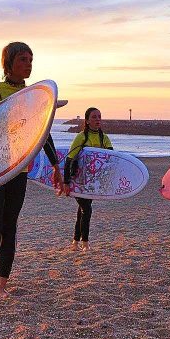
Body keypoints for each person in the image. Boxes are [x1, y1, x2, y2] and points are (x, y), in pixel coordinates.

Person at [0, 41, 66, 298]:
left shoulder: (33, 96)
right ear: (8, 63)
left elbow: (42, 134)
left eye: (31, 60)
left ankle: (1, 286)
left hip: (17, 171)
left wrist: (55, 165)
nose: (28, 64)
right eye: (23, 59)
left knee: (10, 226)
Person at [64, 107, 114, 252]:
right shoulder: (81, 137)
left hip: (93, 182)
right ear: (87, 121)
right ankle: (85, 243)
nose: (97, 119)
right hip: (78, 180)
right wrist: (66, 182)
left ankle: (75, 242)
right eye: (94, 117)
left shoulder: (104, 138)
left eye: (99, 116)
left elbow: (110, 159)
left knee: (82, 210)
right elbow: (69, 159)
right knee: (87, 209)